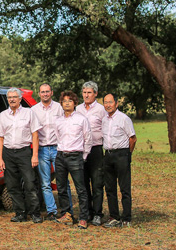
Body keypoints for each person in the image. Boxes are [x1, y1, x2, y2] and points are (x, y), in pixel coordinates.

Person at [0, 87, 43, 223]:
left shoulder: (29, 113)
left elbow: (35, 135)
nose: (11, 99)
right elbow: (0, 138)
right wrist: (0, 159)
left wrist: (34, 155)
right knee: (12, 186)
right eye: (9, 97)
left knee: (30, 184)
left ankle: (35, 213)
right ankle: (20, 213)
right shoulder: (3, 115)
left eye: (14, 97)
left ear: (20, 98)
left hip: (24, 152)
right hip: (8, 153)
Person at [31, 83, 72, 221]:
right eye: (42, 92)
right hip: (42, 149)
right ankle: (52, 211)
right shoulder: (34, 109)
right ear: (39, 93)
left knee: (63, 181)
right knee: (45, 182)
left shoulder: (59, 108)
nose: (45, 94)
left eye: (47, 91)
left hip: (57, 148)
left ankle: (68, 210)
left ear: (52, 93)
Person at [55, 90, 92, 229]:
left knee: (81, 189)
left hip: (76, 156)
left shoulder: (81, 119)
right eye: (64, 101)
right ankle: (67, 214)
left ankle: (83, 217)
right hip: (60, 156)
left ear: (75, 103)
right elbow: (58, 137)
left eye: (69, 101)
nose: (67, 104)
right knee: (62, 188)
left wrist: (83, 156)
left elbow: (87, 139)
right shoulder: (58, 120)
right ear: (61, 104)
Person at [76, 81, 108, 226]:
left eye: (89, 92)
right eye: (84, 92)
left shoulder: (101, 110)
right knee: (83, 183)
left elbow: (106, 129)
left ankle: (97, 213)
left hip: (95, 149)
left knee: (97, 183)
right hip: (81, 149)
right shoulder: (78, 109)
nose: (86, 95)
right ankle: (87, 212)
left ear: (95, 93)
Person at [102, 94, 137, 228]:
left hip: (121, 154)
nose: (108, 105)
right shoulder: (104, 119)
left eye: (110, 102)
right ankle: (114, 216)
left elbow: (132, 138)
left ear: (116, 103)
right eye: (105, 102)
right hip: (108, 155)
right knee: (110, 188)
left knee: (124, 188)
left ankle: (126, 217)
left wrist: (127, 155)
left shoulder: (124, 119)